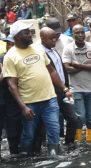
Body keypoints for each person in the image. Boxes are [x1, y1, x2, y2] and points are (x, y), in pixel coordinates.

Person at [2, 21, 72, 156]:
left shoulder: (38, 49)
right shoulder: (10, 56)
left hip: (50, 99)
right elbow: (12, 85)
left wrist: (64, 89)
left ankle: (54, 158)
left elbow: (51, 71)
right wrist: (23, 107)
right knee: (28, 134)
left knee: (54, 130)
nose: (30, 35)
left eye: (30, 32)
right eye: (26, 33)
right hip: (30, 103)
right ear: (16, 36)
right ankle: (25, 159)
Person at [40, 27, 79, 146]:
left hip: (62, 90)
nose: (54, 41)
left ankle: (69, 144)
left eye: (55, 38)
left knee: (73, 119)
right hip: (49, 92)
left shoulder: (54, 50)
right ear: (42, 38)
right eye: (51, 39)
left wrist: (66, 87)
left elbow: (61, 70)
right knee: (51, 123)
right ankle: (46, 146)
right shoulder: (40, 52)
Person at [62, 24, 91, 143]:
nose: (80, 35)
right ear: (72, 34)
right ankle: (77, 141)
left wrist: (77, 65)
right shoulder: (68, 48)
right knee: (80, 117)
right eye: (77, 33)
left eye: (82, 32)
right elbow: (67, 69)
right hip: (76, 89)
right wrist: (88, 65)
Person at [0, 34, 23, 157]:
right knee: (12, 127)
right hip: (8, 99)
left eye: (12, 44)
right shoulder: (2, 58)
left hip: (25, 96)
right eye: (8, 44)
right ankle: (14, 152)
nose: (9, 46)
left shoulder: (21, 57)